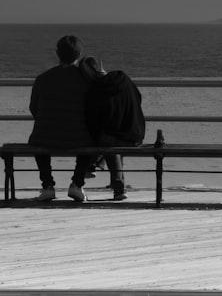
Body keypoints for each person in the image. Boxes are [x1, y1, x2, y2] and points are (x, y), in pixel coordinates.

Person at [27, 35, 98, 202]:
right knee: (90, 139)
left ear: (57, 53)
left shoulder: (43, 78)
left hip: (45, 137)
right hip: (78, 138)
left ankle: (47, 186)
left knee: (39, 138)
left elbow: (33, 108)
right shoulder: (87, 79)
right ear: (80, 54)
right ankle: (77, 184)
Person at [80, 55, 146, 200]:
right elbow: (138, 98)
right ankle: (96, 166)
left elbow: (95, 120)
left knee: (107, 141)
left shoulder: (98, 90)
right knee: (111, 139)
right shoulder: (124, 78)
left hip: (118, 138)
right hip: (137, 133)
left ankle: (118, 187)